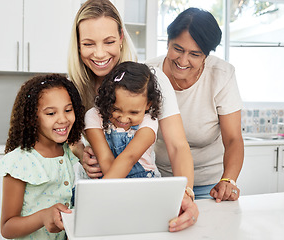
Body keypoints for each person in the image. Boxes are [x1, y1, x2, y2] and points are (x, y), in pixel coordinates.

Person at [68, 0, 198, 231]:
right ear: (78, 45)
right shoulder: (72, 88)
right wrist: (79, 151)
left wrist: (186, 194)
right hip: (96, 194)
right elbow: (59, 140)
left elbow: (178, 146)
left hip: (139, 193)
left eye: (108, 41)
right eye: (88, 43)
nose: (99, 53)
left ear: (121, 37)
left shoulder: (150, 81)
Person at [146, 7, 244, 202]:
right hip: (159, 180)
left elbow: (233, 139)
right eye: (178, 49)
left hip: (210, 186)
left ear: (206, 55)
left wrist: (228, 180)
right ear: (167, 42)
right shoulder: (147, 75)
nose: (183, 61)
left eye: (195, 54)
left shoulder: (222, 75)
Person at [0, 74, 85, 239]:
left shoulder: (67, 152)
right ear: (32, 118)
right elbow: (7, 228)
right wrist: (43, 217)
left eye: (68, 110)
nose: (63, 119)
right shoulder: (20, 162)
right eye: (50, 113)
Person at [85, 61, 162, 179]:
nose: (124, 118)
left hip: (142, 183)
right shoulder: (94, 116)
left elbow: (129, 157)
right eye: (116, 109)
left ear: (148, 104)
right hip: (108, 177)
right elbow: (104, 158)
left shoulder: (149, 121)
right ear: (107, 99)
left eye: (134, 112)